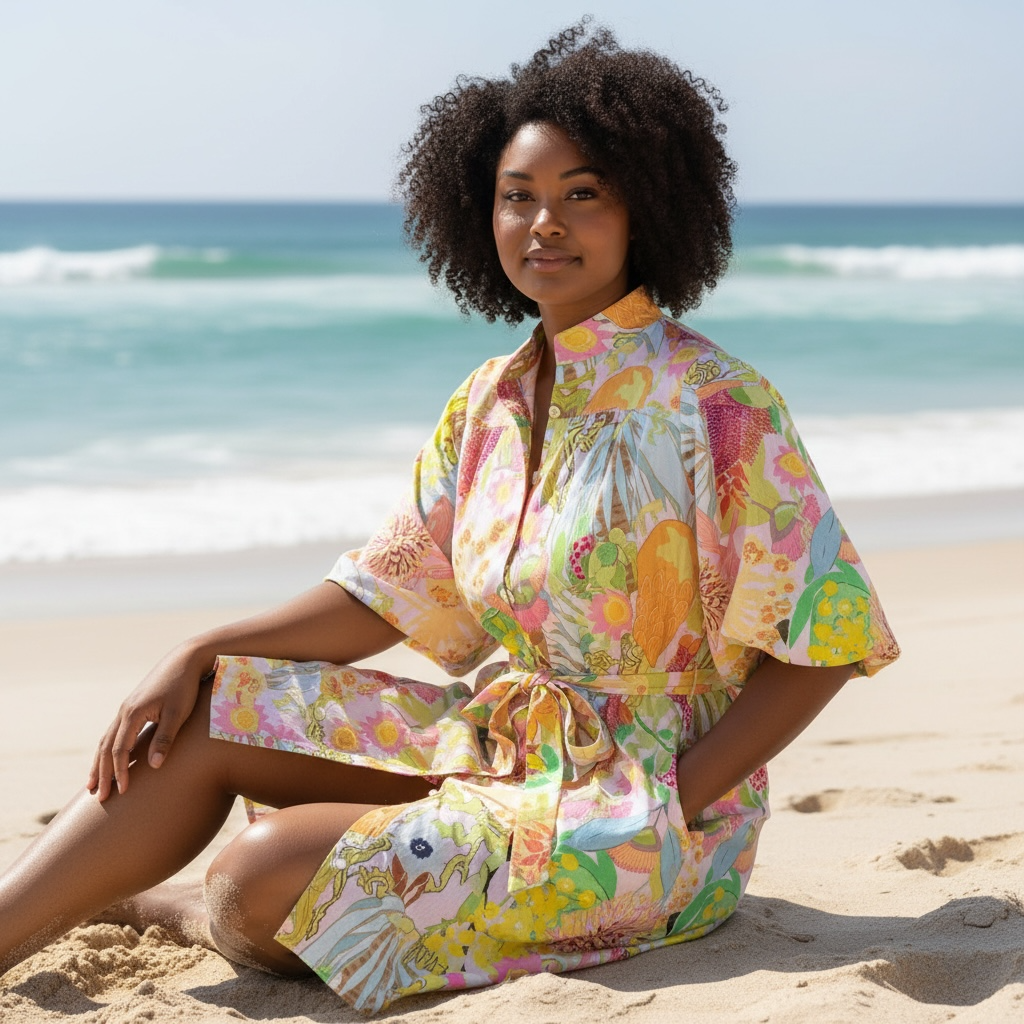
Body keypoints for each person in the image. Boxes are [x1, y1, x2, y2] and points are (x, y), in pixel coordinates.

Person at [0, 22, 899, 1013]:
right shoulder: (489, 401)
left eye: (580, 194)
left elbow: (819, 643)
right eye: (519, 197)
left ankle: (169, 904)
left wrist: (674, 804)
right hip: (501, 747)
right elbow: (390, 593)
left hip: (646, 803)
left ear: (644, 207)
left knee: (260, 875)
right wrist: (201, 645)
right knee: (202, 713)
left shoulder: (718, 403)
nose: (543, 223)